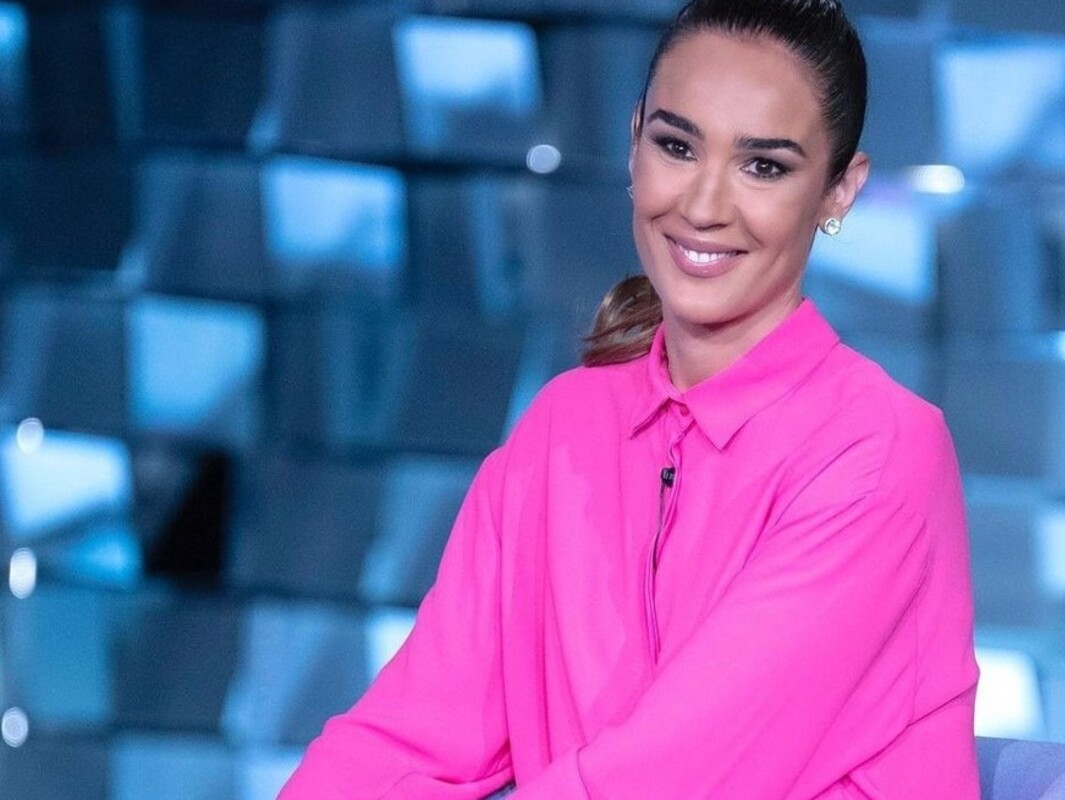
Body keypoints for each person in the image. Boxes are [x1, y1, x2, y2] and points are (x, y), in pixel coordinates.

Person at [279, 0, 980, 797]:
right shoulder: (562, 427)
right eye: (677, 146)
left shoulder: (880, 453)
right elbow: (409, 737)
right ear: (633, 140)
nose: (704, 206)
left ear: (839, 191)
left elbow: (674, 777)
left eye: (763, 166)